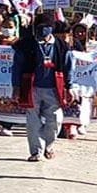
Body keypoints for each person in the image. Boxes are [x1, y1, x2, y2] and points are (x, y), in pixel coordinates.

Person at [12, 13, 74, 162]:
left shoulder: (62, 46)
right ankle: (36, 151)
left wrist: (70, 86)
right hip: (31, 87)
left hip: (54, 88)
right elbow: (17, 67)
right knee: (33, 121)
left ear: (50, 28)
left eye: (44, 28)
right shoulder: (25, 45)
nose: (41, 31)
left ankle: (49, 146)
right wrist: (16, 87)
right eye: (38, 27)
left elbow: (69, 67)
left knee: (55, 119)